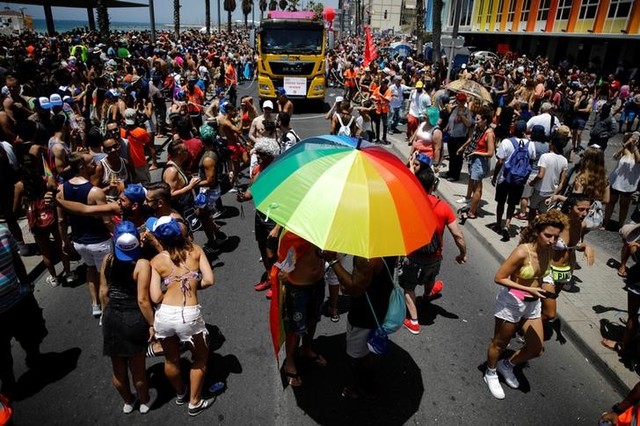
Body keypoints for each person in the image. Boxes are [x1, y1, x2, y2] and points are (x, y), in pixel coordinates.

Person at [484, 210, 567, 399]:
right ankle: (490, 372)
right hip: (512, 303)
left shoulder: (551, 248)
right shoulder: (523, 251)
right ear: (537, 231)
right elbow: (499, 277)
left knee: (536, 349)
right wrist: (530, 290)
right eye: (547, 235)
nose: (551, 240)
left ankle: (507, 365)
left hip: (532, 305)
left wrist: (583, 247)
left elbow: (567, 249)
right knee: (500, 343)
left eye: (555, 237)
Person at [148, 216, 216, 417]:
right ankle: (194, 402)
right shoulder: (196, 251)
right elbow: (210, 280)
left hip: (165, 316)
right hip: (189, 315)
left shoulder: (156, 261)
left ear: (160, 239)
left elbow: (155, 296)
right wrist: (193, 284)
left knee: (171, 360)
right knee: (201, 358)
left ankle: (180, 393)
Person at [400, 167, 467, 335]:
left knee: (409, 287)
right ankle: (428, 294)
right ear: (433, 186)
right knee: (431, 275)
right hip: (434, 256)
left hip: (412, 256)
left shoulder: (408, 202)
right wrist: (462, 253)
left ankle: (414, 321)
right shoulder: (443, 207)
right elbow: (457, 234)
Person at [321, 250, 396, 399]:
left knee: (358, 356)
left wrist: (333, 261)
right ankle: (368, 379)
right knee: (372, 348)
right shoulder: (388, 244)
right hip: (382, 307)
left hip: (364, 315)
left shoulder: (366, 257)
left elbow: (354, 289)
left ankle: (363, 388)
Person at [100, 221, 155, 414]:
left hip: (111, 318)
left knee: (118, 369)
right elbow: (142, 299)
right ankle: (144, 401)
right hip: (133, 319)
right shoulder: (142, 264)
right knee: (138, 369)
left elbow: (103, 292)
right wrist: (152, 324)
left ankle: (128, 401)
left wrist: (106, 316)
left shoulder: (107, 259)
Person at [57, 152, 112, 319]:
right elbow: (107, 220)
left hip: (79, 242)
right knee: (105, 276)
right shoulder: (95, 192)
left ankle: (95, 304)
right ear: (81, 166)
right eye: (91, 163)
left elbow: (61, 220)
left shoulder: (61, 189)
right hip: (100, 241)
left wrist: (65, 242)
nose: (96, 165)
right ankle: (106, 313)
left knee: (90, 269)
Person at [274, 231, 327, 387]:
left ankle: (306, 349)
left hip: (317, 284)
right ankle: (290, 361)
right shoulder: (294, 233)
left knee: (313, 320)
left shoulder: (323, 229)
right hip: (298, 290)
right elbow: (285, 263)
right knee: (296, 328)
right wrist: (286, 272)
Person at [0, 225, 47, 399]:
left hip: (17, 301)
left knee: (30, 336)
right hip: (13, 303)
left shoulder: (3, 232)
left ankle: (33, 358)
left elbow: (15, 259)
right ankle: (8, 381)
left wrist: (26, 284)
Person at [543, 195, 594, 337]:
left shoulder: (581, 225)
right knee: (549, 312)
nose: (584, 213)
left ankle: (533, 323)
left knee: (549, 301)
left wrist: (586, 247)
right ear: (571, 208)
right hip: (548, 269)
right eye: (581, 209)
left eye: (587, 210)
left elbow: (575, 244)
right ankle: (527, 328)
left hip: (565, 270)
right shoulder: (557, 221)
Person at [236, 138, 282, 295]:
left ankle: (277, 285)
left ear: (270, 154)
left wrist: (278, 227)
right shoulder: (257, 170)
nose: (258, 156)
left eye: (261, 153)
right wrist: (243, 196)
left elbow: (288, 202)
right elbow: (251, 191)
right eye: (257, 153)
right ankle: (270, 277)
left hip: (275, 217)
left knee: (272, 253)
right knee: (263, 249)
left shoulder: (278, 172)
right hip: (260, 216)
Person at [491, 120, 536, 240]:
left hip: (505, 178)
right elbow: (531, 162)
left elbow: (500, 162)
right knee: (512, 203)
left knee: (500, 202)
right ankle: (508, 224)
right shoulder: (530, 145)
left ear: (513, 129)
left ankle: (498, 223)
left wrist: (495, 176)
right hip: (519, 180)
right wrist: (525, 177)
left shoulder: (506, 142)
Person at [457, 106, 495, 219]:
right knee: (472, 183)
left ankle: (472, 212)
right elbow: (471, 140)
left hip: (480, 162)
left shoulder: (489, 134)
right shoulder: (479, 130)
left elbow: (490, 153)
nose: (476, 121)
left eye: (478, 119)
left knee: (478, 187)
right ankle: (471, 203)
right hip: (473, 160)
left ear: (485, 120)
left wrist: (476, 154)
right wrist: (463, 147)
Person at [528, 134, 569, 221]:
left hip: (539, 189)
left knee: (532, 209)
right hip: (551, 191)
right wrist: (555, 194)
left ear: (552, 144)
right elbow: (562, 182)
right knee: (543, 213)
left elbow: (540, 175)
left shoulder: (545, 157)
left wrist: (532, 182)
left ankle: (531, 228)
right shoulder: (564, 161)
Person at [604, 132, 640, 230]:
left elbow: (638, 160)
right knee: (610, 203)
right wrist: (626, 144)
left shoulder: (638, 151)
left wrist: (635, 147)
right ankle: (605, 223)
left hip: (629, 184)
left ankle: (620, 225)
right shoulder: (625, 150)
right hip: (616, 181)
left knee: (624, 205)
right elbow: (615, 156)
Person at [443, 93, 475, 182]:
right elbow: (451, 120)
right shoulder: (454, 109)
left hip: (460, 137)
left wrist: (462, 116)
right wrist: (447, 127)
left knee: (457, 157)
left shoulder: (467, 111)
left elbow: (469, 124)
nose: (460, 102)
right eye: (459, 101)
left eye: (462, 101)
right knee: (452, 156)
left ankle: (455, 175)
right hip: (451, 135)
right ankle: (450, 172)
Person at [121, 108, 151, 185]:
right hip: (140, 161)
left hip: (127, 163)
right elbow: (148, 142)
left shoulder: (120, 131)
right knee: (146, 183)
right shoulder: (141, 131)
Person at [370, 78, 392, 144]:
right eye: (381, 84)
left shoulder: (389, 90)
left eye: (383, 84)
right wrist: (375, 100)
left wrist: (381, 96)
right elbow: (372, 97)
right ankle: (377, 138)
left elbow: (388, 100)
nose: (382, 85)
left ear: (386, 84)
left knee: (385, 124)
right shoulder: (378, 88)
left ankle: (384, 138)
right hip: (378, 109)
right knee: (377, 124)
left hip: (384, 110)